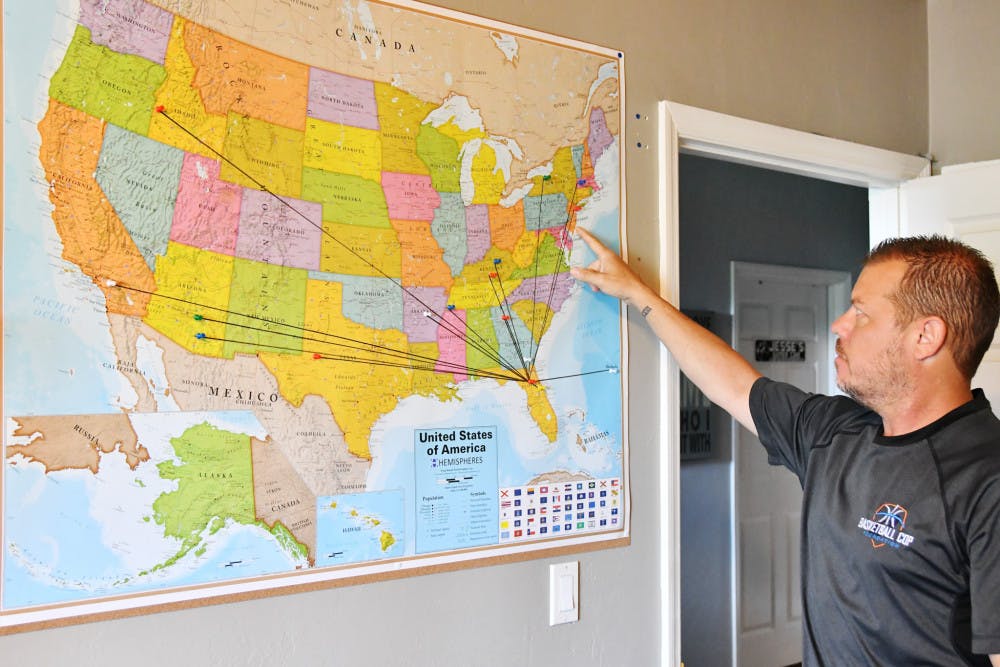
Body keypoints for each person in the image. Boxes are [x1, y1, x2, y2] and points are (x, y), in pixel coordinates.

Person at [570, 228, 1000, 666]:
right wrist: (636, 293)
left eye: (862, 313)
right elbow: (733, 385)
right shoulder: (835, 433)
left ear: (926, 336)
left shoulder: (987, 480)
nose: (839, 324)